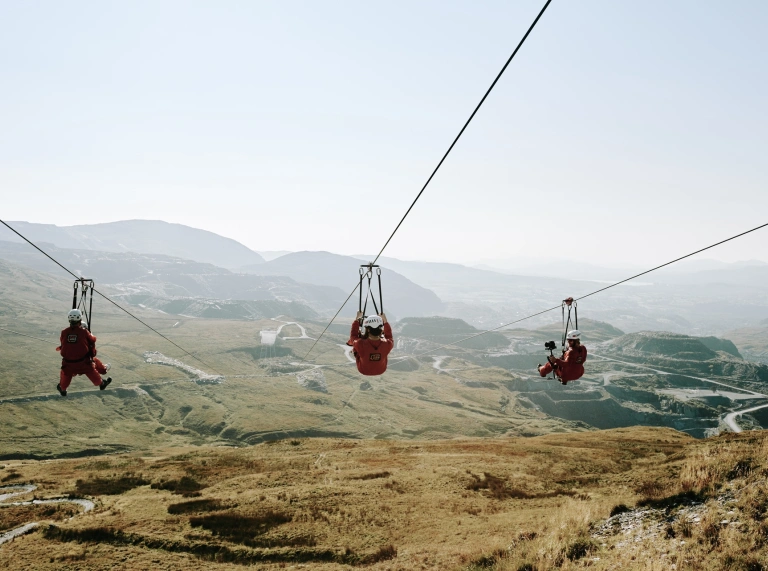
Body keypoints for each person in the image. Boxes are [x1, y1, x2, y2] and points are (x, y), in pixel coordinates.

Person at [56, 309, 112, 396]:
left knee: (66, 374)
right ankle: (101, 383)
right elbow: (93, 339)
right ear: (80, 319)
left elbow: (63, 342)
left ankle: (63, 389)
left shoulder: (64, 332)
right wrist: (89, 333)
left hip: (68, 363)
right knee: (91, 368)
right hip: (83, 362)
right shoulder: (84, 332)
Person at [347, 312, 394, 376]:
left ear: (368, 330)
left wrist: (357, 319)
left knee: (357, 346)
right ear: (381, 330)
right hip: (381, 370)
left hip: (363, 370)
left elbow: (353, 338)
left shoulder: (360, 343)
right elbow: (389, 337)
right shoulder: (387, 344)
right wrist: (385, 321)